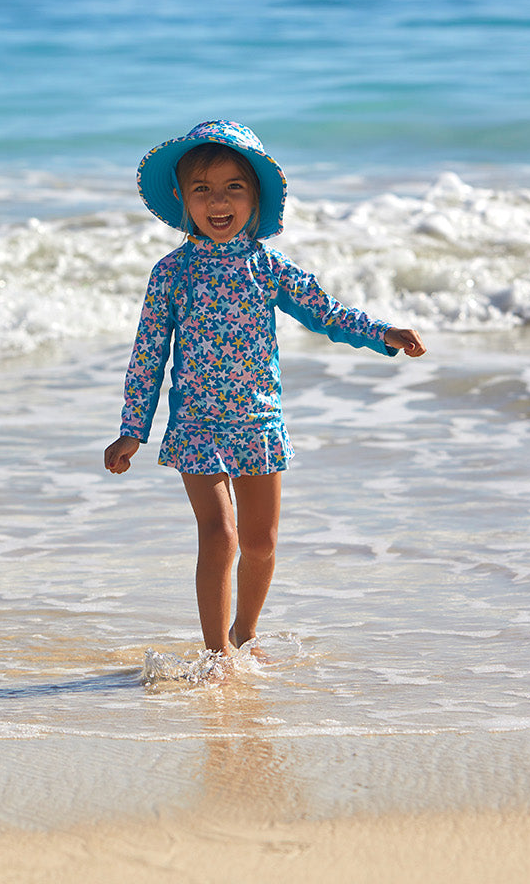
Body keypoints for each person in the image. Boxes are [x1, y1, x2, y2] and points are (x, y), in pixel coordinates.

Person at [103, 121, 425, 657]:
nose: (219, 201)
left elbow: (326, 314)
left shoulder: (269, 268)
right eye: (202, 189)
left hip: (259, 422)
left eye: (234, 187)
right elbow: (148, 358)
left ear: (256, 197)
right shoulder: (172, 273)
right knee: (219, 536)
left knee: (260, 543)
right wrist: (132, 431)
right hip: (196, 426)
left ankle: (245, 631)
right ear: (183, 199)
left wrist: (381, 334)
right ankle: (216, 655)